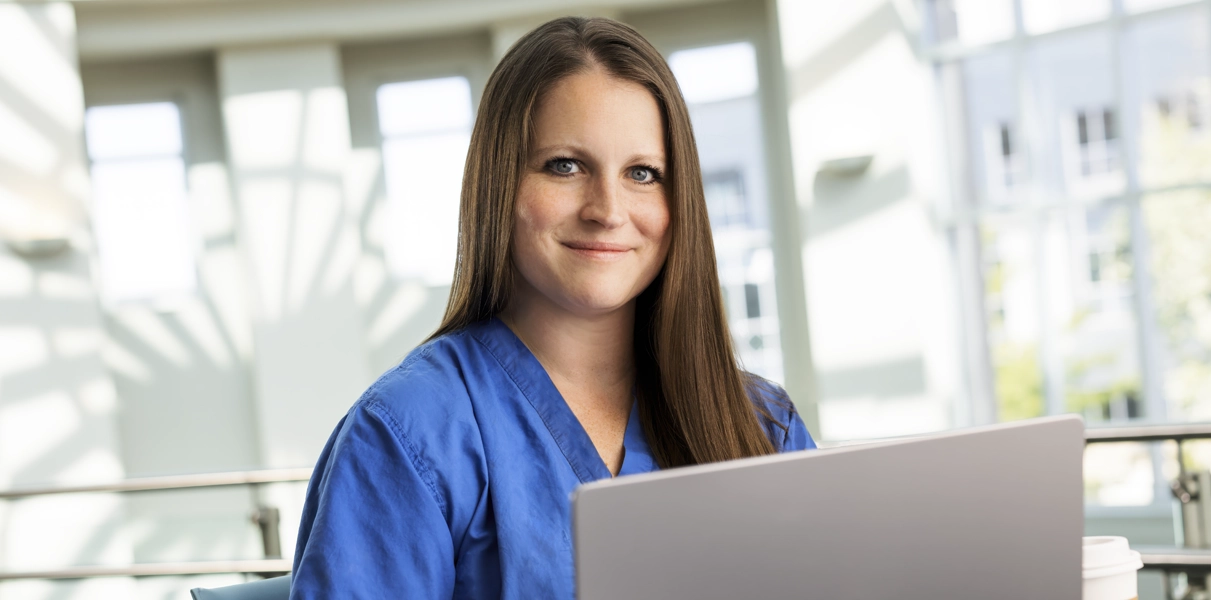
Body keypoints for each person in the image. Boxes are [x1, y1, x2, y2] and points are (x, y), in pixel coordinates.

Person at [288, 16, 816, 599]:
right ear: (500, 186)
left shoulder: (763, 425)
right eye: (565, 165)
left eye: (643, 173)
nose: (608, 209)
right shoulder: (410, 431)